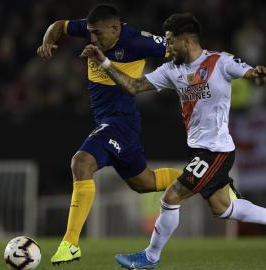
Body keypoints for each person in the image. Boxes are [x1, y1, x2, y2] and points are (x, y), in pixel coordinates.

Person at [81, 12, 266, 269]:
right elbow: (133, 86)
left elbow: (249, 73)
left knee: (171, 198)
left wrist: (258, 75)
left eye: (170, 42)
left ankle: (150, 257)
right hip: (198, 150)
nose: (167, 48)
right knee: (223, 209)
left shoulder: (220, 62)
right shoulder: (172, 70)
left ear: (186, 41)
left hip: (217, 151)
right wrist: (104, 63)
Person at [37, 4, 182, 265]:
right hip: (112, 122)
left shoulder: (136, 41)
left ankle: (70, 243)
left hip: (120, 123)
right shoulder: (92, 28)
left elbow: (181, 49)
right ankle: (205, 179)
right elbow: (59, 26)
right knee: (144, 183)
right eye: (90, 33)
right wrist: (48, 40)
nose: (93, 39)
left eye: (98, 34)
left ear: (116, 28)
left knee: (81, 162)